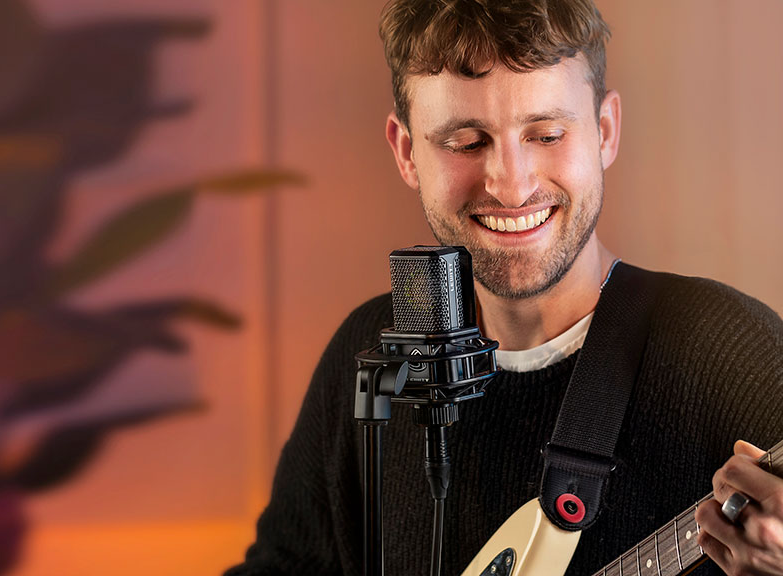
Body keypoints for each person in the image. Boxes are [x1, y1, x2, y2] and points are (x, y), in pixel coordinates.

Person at [225, 1, 783, 575]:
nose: (512, 187)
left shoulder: (729, 351)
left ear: (606, 131)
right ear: (406, 150)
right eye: (466, 143)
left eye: (545, 134)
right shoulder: (370, 356)